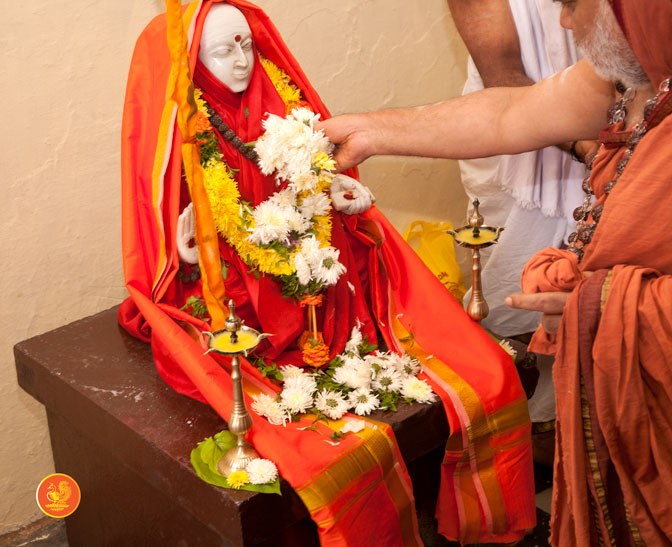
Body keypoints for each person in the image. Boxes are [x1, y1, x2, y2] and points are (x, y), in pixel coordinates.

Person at [119, 1, 535, 544]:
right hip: (239, 277)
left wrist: (338, 192)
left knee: (484, 373)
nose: (241, 61)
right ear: (192, 61)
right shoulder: (184, 122)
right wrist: (186, 245)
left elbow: (311, 177)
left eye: (247, 44)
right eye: (222, 50)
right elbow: (167, 224)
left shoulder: (273, 98)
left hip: (307, 261)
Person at [320, 0, 672, 544]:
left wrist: (610, 305)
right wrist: (370, 132)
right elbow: (510, 114)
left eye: (573, 4)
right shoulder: (638, 74)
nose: (564, 23)